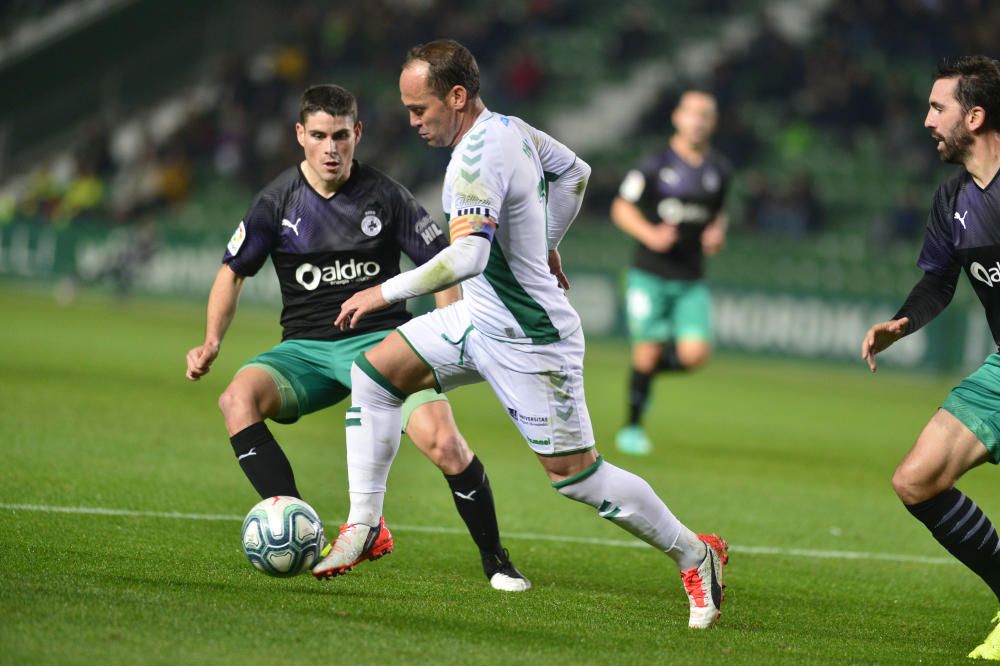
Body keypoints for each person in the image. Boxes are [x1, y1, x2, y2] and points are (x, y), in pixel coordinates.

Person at [310, 40, 729, 629]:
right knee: (374, 375)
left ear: (456, 97)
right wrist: (547, 242)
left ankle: (696, 553)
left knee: (577, 479)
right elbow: (575, 173)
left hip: (531, 337)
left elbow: (466, 260)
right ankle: (365, 523)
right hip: (478, 319)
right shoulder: (510, 127)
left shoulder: (476, 158)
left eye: (419, 109)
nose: (411, 122)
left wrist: (382, 292)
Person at [185, 84, 529, 592]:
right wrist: (212, 340)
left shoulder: (387, 196)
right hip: (306, 348)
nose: (331, 148)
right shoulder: (275, 201)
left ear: (357, 134)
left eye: (341, 136)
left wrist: (445, 337)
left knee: (445, 444)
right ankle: (301, 527)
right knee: (237, 399)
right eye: (319, 135)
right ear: (300, 135)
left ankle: (497, 561)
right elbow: (232, 272)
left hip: (385, 343)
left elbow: (443, 269)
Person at [860, 55, 1000, 660]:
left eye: (937, 107)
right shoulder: (953, 201)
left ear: (974, 114)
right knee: (916, 479)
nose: (926, 120)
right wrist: (903, 322)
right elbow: (939, 281)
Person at [610, 89, 732, 456]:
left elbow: (719, 212)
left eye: (705, 114)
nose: (698, 121)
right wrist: (649, 233)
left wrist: (717, 232)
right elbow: (621, 207)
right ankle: (632, 427)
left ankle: (641, 378)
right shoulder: (653, 164)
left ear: (713, 123)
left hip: (691, 277)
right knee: (647, 350)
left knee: (695, 355)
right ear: (677, 118)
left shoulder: (719, 170)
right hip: (649, 273)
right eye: (691, 113)